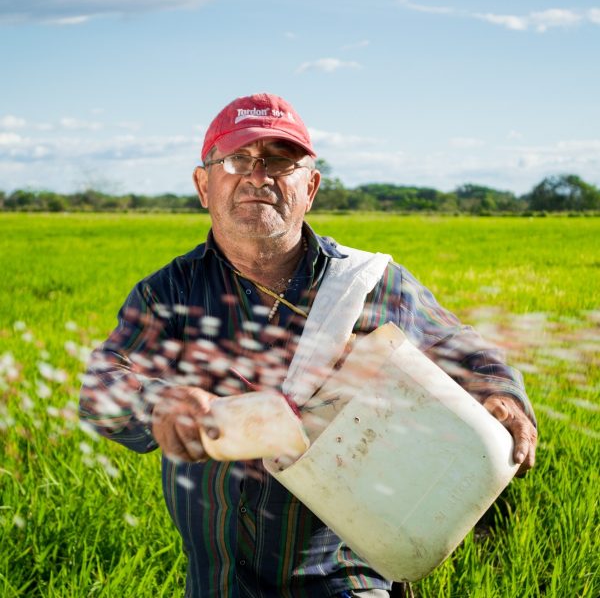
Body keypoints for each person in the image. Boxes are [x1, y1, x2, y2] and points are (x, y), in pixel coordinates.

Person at [80, 93, 537, 598]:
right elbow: (100, 387)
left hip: (348, 576)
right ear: (203, 185)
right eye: (236, 160)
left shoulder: (367, 283)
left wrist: (503, 394)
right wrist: (157, 403)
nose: (258, 176)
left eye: (280, 161)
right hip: (217, 582)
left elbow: (458, 345)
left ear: (310, 187)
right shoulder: (170, 293)